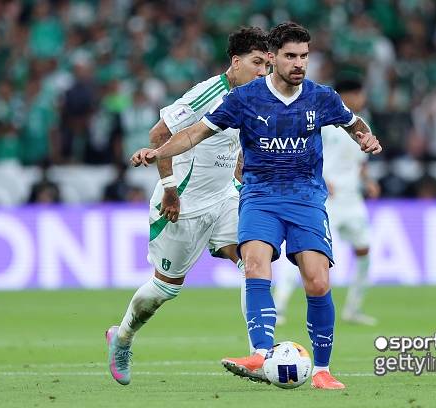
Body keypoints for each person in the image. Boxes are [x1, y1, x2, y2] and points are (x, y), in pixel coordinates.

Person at [133, 22, 382, 390]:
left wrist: (364, 137)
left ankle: (323, 371)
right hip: (259, 197)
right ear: (273, 57)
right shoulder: (245, 98)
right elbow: (193, 133)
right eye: (290, 56)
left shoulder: (321, 97)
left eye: (304, 56)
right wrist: (159, 152)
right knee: (253, 265)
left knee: (317, 281)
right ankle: (261, 353)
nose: (299, 64)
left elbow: (352, 121)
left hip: (306, 199)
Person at [106, 27, 270, 386]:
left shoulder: (257, 97)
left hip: (225, 198)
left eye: (267, 66)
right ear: (236, 62)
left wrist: (241, 181)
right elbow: (158, 134)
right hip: (182, 203)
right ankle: (123, 337)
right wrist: (169, 190)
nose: (263, 72)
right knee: (164, 290)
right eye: (257, 63)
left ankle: (259, 355)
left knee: (254, 262)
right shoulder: (208, 93)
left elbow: (238, 147)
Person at [273, 77, 378, 326]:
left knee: (364, 251)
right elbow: (304, 152)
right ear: (347, 96)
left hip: (352, 200)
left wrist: (368, 180)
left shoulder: (362, 122)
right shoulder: (326, 121)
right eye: (358, 94)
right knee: (303, 251)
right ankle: (278, 306)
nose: (362, 99)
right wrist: (320, 178)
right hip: (326, 198)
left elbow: (359, 160)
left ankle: (353, 308)